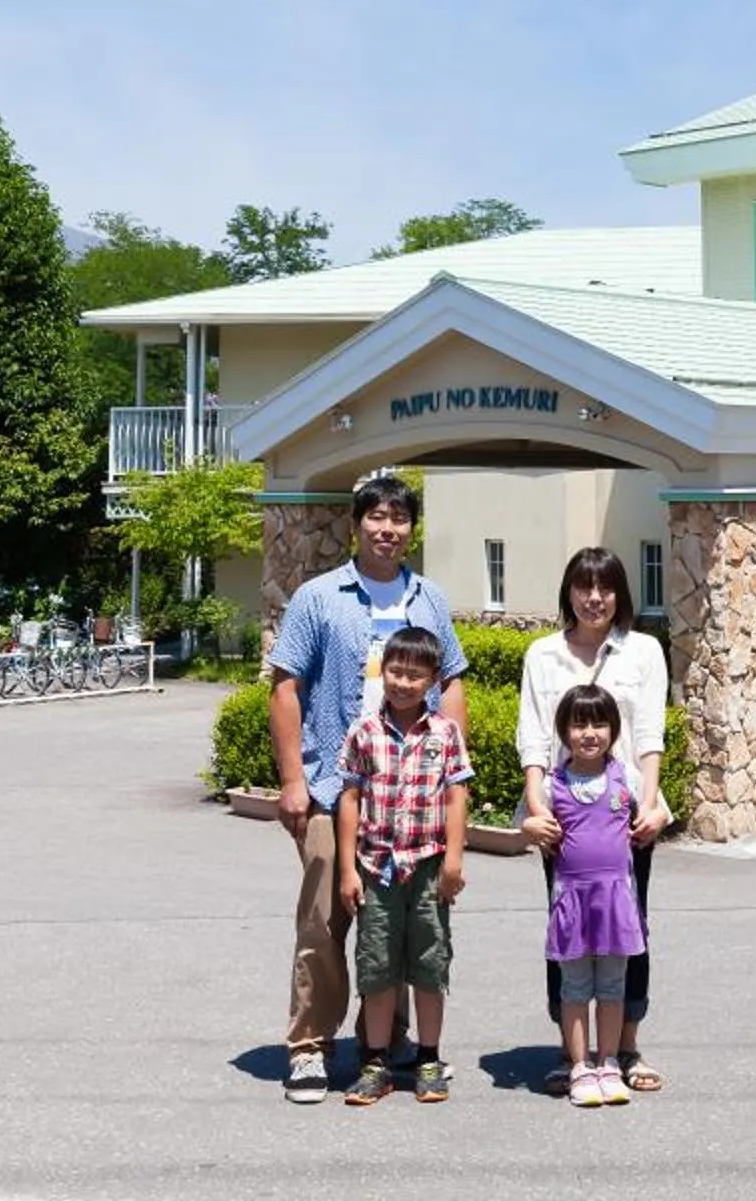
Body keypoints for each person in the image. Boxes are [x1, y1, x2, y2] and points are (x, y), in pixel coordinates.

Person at [267, 473, 471, 1105]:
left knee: (407, 927)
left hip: (412, 800)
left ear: (412, 528)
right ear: (357, 524)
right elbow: (284, 687)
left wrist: (450, 766)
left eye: (400, 519)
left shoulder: (429, 598)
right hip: (336, 786)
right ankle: (310, 1047)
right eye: (377, 518)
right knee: (325, 925)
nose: (388, 529)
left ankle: (386, 1045)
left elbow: (454, 681)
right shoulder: (319, 597)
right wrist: (294, 781)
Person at [516, 546, 671, 1095]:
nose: (594, 597)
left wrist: (649, 805)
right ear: (569, 593)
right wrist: (537, 811)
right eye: (583, 587)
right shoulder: (543, 654)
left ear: (620, 595)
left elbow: (649, 734)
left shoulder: (644, 651)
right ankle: (572, 1053)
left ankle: (625, 1047)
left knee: (631, 931)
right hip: (561, 817)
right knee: (568, 932)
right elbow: (533, 735)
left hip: (625, 811)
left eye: (605, 587)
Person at [334, 624, 470, 1107]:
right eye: (395, 671)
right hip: (376, 868)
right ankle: (376, 1062)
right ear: (382, 672)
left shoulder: (445, 734)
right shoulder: (364, 732)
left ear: (433, 680)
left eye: (415, 675)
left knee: (430, 965)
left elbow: (457, 794)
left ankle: (429, 1058)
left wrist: (454, 858)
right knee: (377, 967)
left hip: (429, 867)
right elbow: (349, 798)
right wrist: (349, 869)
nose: (403, 682)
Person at [542, 683, 649, 1108]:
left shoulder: (627, 777)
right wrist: (534, 828)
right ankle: (579, 1066)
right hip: (572, 903)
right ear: (564, 731)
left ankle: (608, 1062)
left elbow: (654, 813)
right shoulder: (553, 785)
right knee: (574, 989)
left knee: (611, 987)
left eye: (599, 723)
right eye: (579, 723)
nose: (590, 732)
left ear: (614, 729)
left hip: (616, 903)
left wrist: (652, 818)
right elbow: (526, 827)